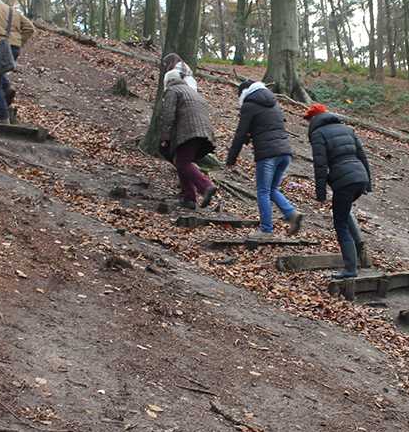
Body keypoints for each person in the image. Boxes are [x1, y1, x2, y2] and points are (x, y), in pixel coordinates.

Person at [226, 80, 302, 239]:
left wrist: (231, 159)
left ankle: (266, 230)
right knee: (272, 189)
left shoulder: (249, 105)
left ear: (244, 93)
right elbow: (266, 126)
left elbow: (240, 133)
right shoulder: (273, 102)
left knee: (263, 191)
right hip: (285, 153)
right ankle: (291, 213)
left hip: (267, 154)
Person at [305, 103, 372, 278]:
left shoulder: (318, 134)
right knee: (344, 212)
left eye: (308, 119)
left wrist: (320, 194)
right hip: (360, 177)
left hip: (344, 182)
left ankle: (350, 269)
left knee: (340, 223)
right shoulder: (347, 129)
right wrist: (368, 183)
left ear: (314, 118)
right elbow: (362, 155)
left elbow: (320, 166)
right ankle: (359, 249)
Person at [158, 69, 218, 210]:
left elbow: (168, 115)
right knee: (182, 162)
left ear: (167, 82)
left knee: (182, 162)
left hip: (189, 132)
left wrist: (165, 136)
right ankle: (189, 199)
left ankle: (206, 186)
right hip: (204, 133)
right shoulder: (192, 92)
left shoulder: (173, 91)